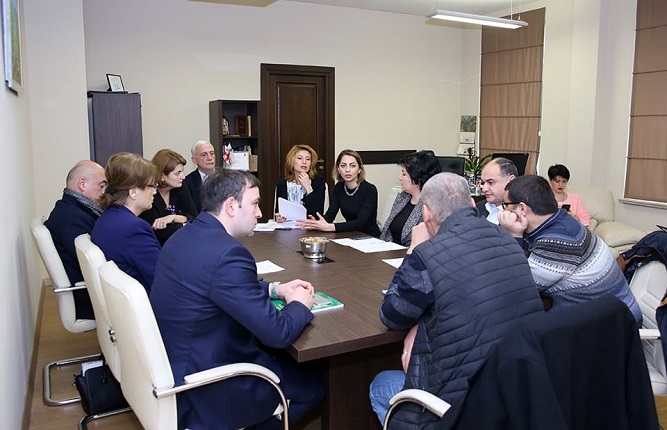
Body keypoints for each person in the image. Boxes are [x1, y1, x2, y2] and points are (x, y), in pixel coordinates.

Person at [150, 169, 324, 430]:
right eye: (255, 204)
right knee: (315, 386)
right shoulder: (229, 254)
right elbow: (278, 333)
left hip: (177, 362)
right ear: (231, 206)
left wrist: (274, 289)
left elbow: (215, 284)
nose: (259, 213)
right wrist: (300, 303)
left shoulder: (186, 235)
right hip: (210, 384)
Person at [369, 173, 544, 426]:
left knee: (380, 385)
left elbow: (391, 315)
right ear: (472, 204)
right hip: (519, 389)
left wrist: (414, 248)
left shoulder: (427, 254)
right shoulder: (511, 241)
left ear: (426, 214)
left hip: (463, 404)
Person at [498, 175, 642, 322]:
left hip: (613, 324)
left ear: (522, 208)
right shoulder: (560, 219)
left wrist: (514, 235)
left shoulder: (557, 240)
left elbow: (518, 287)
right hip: (594, 313)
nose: (503, 212)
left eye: (505, 205)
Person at [44, 160, 107, 320]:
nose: (105, 191)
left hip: (87, 291)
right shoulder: (72, 218)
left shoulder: (68, 209)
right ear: (82, 184)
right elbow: (94, 264)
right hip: (89, 299)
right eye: (101, 185)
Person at [91, 152, 161, 294]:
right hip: (147, 302)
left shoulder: (107, 217)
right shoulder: (134, 228)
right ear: (133, 192)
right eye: (152, 186)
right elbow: (162, 278)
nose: (155, 192)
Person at [297, 149, 381, 237]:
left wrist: (329, 227)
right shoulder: (339, 187)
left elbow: (360, 223)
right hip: (350, 236)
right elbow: (330, 215)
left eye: (352, 166)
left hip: (370, 237)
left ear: (359, 169)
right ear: (338, 169)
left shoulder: (370, 189)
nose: (347, 170)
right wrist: (318, 223)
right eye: (343, 166)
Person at [380, 151, 441, 246]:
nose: (400, 177)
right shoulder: (402, 197)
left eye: (404, 174)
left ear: (418, 177)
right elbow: (387, 233)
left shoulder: (432, 205)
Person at [139, 149, 197, 245]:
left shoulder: (181, 187)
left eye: (182, 172)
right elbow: (156, 232)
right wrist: (183, 224)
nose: (183, 177)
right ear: (162, 176)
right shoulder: (149, 193)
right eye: (178, 173)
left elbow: (195, 219)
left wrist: (173, 218)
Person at [274, 144, 325, 220]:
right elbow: (278, 211)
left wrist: (308, 187)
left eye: (308, 159)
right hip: (287, 225)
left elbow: (317, 214)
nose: (304, 162)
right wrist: (279, 218)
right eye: (300, 158)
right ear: (292, 161)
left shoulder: (318, 182)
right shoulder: (282, 183)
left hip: (309, 225)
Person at [476, 157, 518, 224]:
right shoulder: (479, 207)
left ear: (511, 181)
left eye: (490, 182)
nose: (484, 189)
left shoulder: (520, 214)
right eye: (483, 183)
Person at [184, 140, 216, 212]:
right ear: (195, 160)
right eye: (204, 155)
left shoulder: (227, 178)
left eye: (212, 153)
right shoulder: (187, 183)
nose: (210, 158)